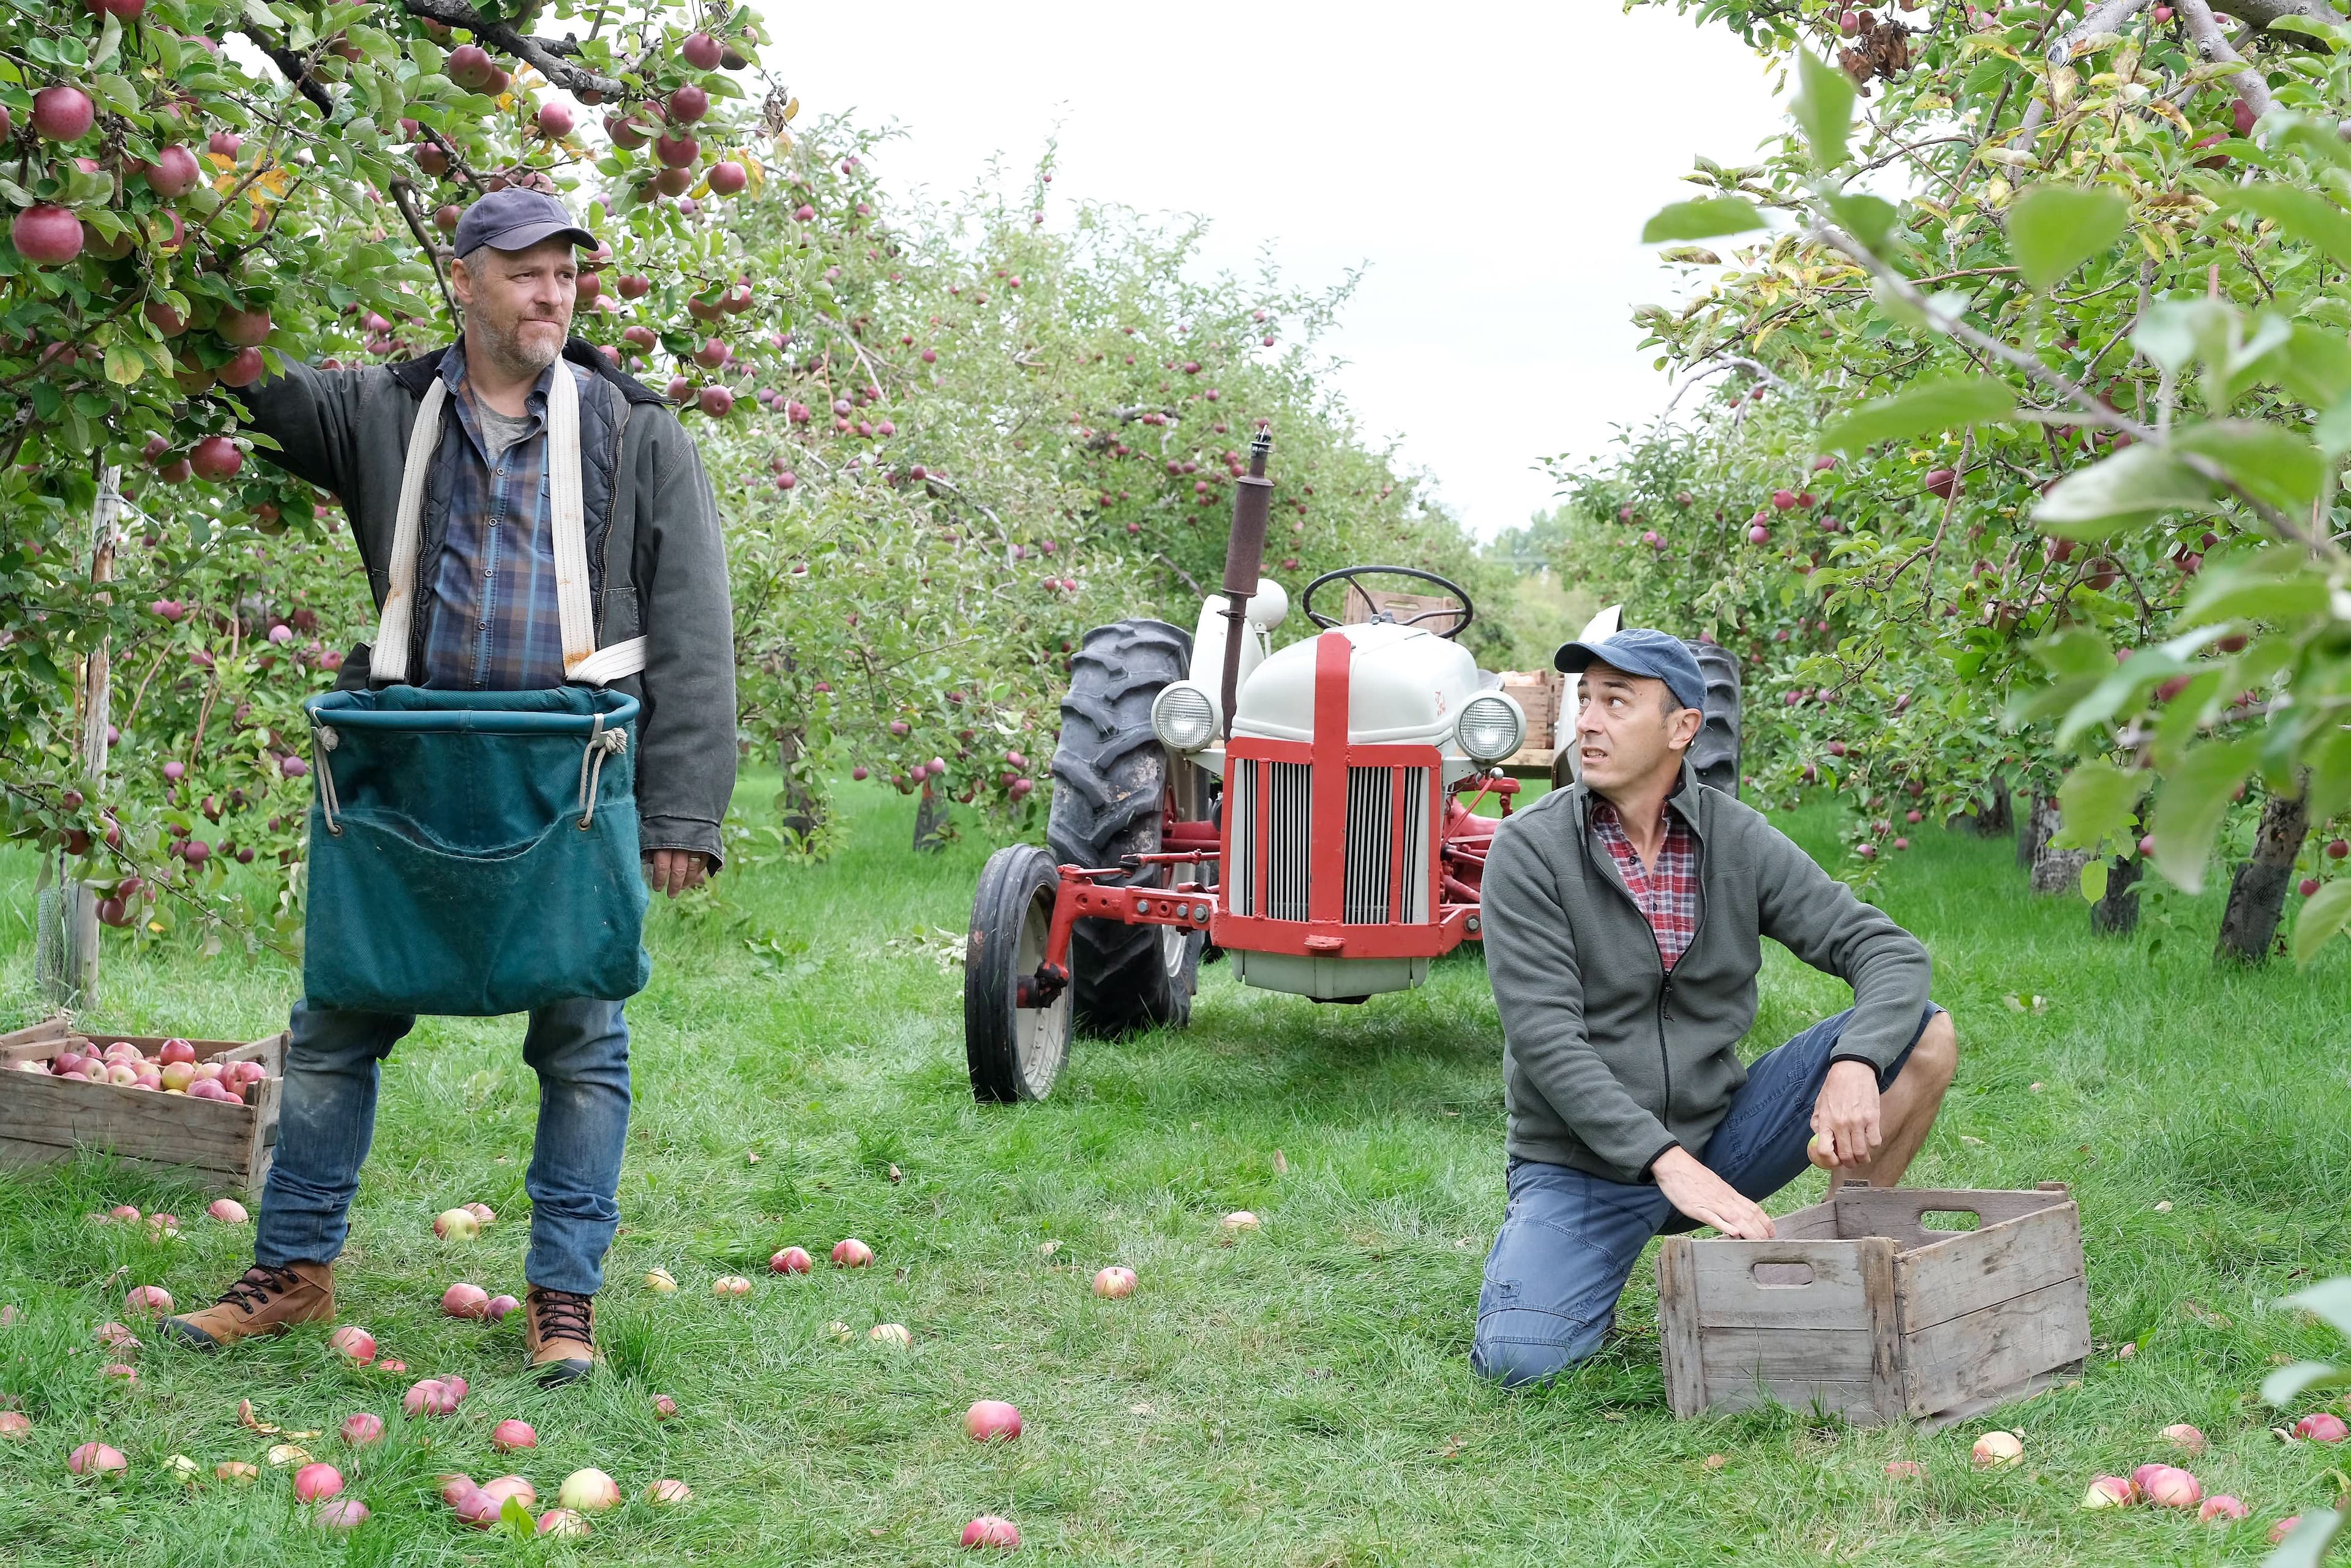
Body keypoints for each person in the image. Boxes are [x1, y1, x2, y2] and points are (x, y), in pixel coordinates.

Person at [163, 188, 737, 1385]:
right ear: (464, 281)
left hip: (567, 774)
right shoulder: (381, 408)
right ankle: (296, 1265)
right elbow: (245, 379)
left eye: (566, 273)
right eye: (525, 272)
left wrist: (684, 809)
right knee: (333, 1024)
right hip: (412, 763)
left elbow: (693, 623)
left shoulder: (635, 428)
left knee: (583, 1036)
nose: (552, 293)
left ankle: (563, 1292)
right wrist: (181, 221)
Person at [1471, 628, 1956, 1387]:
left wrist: (1855, 1061)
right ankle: (1587, 1256)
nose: (1587, 722)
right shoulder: (1530, 850)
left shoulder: (1735, 838)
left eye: (1616, 703)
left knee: (1924, 1033)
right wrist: (1668, 1167)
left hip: (1720, 1133)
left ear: (1682, 727)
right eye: (1585, 701)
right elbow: (1547, 1041)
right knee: (1520, 1365)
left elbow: (1887, 951)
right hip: (1582, 1163)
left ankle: (1839, 1265)